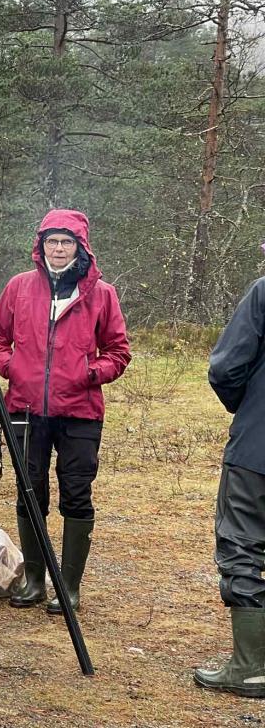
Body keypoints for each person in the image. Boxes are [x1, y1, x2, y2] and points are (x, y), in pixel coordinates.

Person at [0, 210, 130, 614]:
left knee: (76, 494)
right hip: (26, 409)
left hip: (80, 411)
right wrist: (14, 368)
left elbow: (119, 352)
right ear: (41, 245)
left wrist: (88, 373)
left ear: (80, 246)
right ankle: (33, 580)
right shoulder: (19, 288)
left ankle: (69, 586)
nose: (59, 248)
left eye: (67, 242)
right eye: (52, 241)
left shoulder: (101, 294)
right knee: (29, 490)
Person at [194, 273, 265, 697]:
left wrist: (249, 405)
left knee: (242, 544)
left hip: (258, 449)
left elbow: (227, 365)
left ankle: (252, 667)